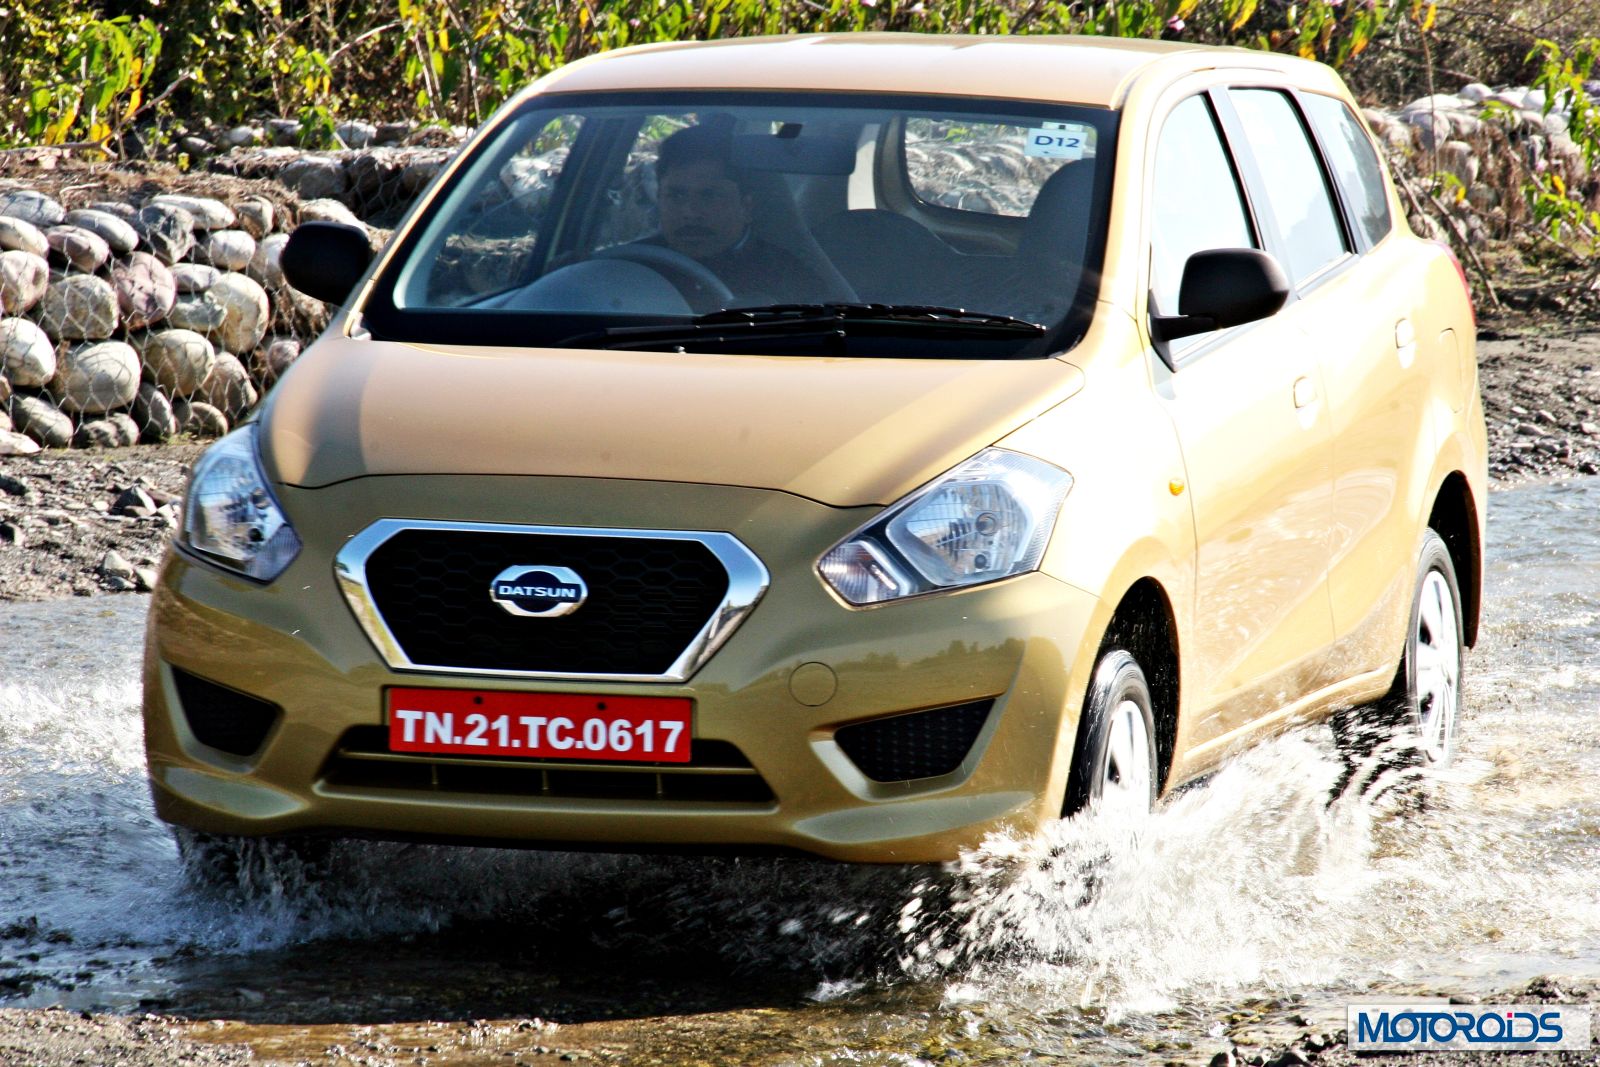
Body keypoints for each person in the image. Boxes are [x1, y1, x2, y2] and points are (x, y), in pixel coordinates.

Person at [643, 124, 827, 306]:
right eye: (676, 195)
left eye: (709, 196)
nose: (690, 212)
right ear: (659, 199)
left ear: (747, 206)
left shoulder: (789, 278)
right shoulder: (635, 267)